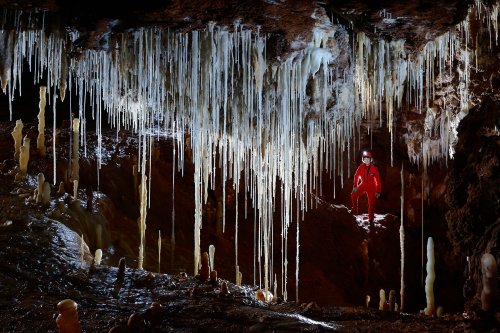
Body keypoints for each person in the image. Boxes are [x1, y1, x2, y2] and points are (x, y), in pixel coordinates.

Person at [351, 150, 382, 227]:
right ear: (363, 160)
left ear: (370, 159)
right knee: (353, 194)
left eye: (368, 159)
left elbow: (378, 180)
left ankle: (371, 219)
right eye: (365, 159)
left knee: (371, 203)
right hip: (363, 184)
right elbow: (356, 176)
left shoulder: (374, 169)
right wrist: (355, 186)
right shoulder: (361, 167)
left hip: (372, 187)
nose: (366, 160)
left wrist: (378, 191)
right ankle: (354, 209)